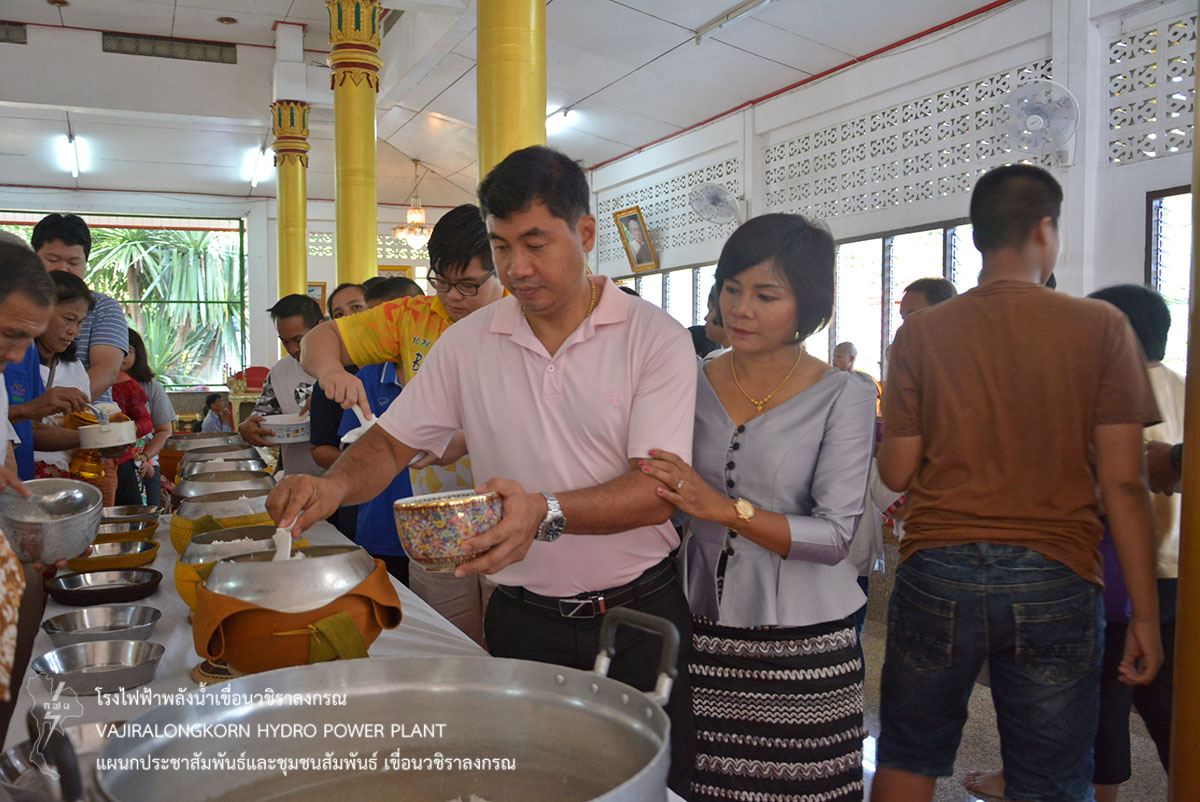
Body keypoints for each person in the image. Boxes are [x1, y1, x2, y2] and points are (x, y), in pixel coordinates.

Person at [270, 146, 699, 797]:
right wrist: (333, 486)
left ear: (585, 234)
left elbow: (657, 491)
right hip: (522, 618)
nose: (517, 268)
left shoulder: (654, 337)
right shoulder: (468, 343)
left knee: (644, 787)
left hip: (635, 616)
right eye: (502, 247)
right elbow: (391, 443)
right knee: (525, 783)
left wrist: (544, 511)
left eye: (536, 244)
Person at [871, 165, 1163, 802]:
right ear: (1045, 229)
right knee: (1050, 778)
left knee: (909, 756)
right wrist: (1144, 614)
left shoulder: (920, 334)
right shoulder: (1102, 327)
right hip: (1057, 573)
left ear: (977, 236)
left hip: (937, 568)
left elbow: (895, 472)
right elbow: (1125, 484)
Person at [641, 214, 875, 801]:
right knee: (699, 784)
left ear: (809, 304)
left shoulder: (843, 395)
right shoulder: (688, 380)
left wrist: (723, 510)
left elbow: (835, 537)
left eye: (767, 295)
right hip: (697, 627)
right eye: (731, 288)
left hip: (803, 644)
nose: (741, 309)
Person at [966, 282, 1183, 801]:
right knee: (1171, 707)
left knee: (1100, 702)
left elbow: (1106, 489)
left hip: (1117, 576)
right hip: (1180, 577)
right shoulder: (1186, 388)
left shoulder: (1109, 395)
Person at [296, 204, 505, 644]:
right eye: (441, 282)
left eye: (468, 285)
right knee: (448, 645)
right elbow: (319, 339)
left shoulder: (526, 318)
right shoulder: (413, 316)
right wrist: (331, 371)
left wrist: (464, 439)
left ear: (502, 267)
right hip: (434, 519)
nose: (452, 297)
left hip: (511, 513)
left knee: (506, 640)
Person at [330, 276, 426, 582]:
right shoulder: (368, 377)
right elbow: (353, 443)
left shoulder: (440, 367)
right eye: (372, 322)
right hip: (380, 526)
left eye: (388, 322)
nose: (377, 332)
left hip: (433, 524)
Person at [31, 214, 129, 402]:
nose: (62, 268)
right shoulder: (14, 302)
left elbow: (107, 370)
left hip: (86, 413)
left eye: (73, 262)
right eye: (52, 259)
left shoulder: (103, 307)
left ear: (85, 263)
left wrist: (61, 407)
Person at [238, 294, 323, 477]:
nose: (292, 349)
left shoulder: (349, 366)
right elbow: (263, 414)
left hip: (346, 482)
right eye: (285, 342)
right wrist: (248, 427)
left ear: (320, 327)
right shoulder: (279, 372)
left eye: (298, 340)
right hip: (298, 479)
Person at [30, 273, 96, 479]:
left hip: (64, 476)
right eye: (68, 319)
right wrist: (94, 438)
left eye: (80, 322)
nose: (73, 331)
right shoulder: (14, 362)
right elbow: (28, 430)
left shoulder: (74, 368)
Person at [125, 328, 175, 507]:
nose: (121, 356)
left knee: (149, 515)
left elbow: (165, 430)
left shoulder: (151, 387)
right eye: (116, 350)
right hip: (110, 465)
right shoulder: (99, 383)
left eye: (128, 351)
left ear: (138, 354)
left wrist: (145, 456)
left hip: (146, 462)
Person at [112, 331, 156, 505]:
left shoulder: (127, 384)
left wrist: (127, 430)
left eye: (127, 351)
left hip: (125, 459)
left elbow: (147, 423)